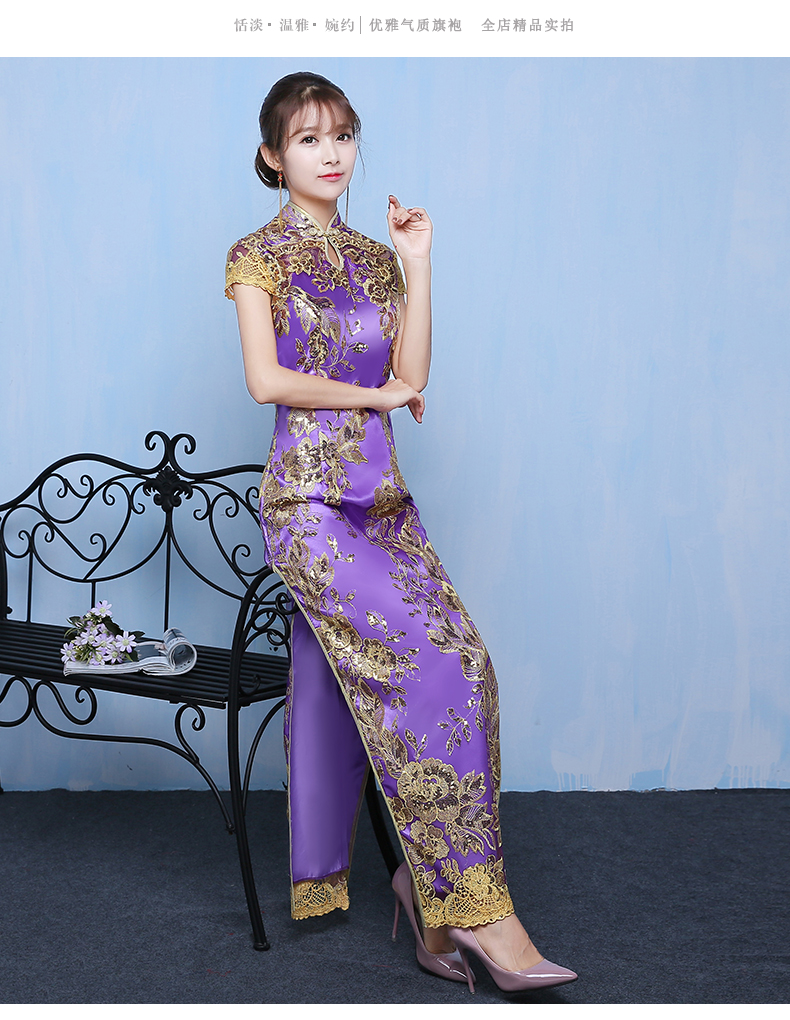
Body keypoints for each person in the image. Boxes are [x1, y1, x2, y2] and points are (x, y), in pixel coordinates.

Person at [226, 71, 576, 995]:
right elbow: (266, 382)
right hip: (308, 510)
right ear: (273, 156)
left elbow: (412, 372)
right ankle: (478, 913)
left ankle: (430, 894)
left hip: (381, 505)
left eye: (342, 135)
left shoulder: (377, 261)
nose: (331, 153)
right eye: (308, 139)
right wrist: (372, 396)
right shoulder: (257, 257)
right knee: (429, 662)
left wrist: (417, 263)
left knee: (468, 664)